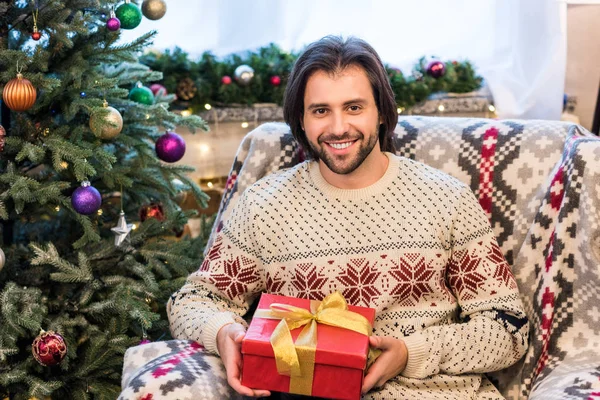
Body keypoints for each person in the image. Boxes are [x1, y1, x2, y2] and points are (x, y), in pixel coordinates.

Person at [168, 36, 529, 399]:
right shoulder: (263, 205)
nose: (338, 127)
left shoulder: (446, 199)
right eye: (321, 111)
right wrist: (221, 332)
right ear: (301, 120)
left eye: (354, 107)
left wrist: (411, 353)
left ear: (382, 112)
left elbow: (507, 328)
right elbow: (193, 301)